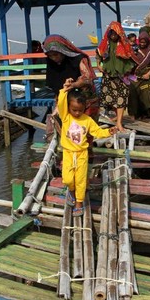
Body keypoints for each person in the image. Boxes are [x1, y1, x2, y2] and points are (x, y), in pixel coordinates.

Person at [58, 79, 117, 217]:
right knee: (67, 179)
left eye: (80, 110)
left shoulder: (87, 120)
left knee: (80, 180)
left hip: (82, 154)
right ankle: (71, 192)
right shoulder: (66, 117)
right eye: (74, 110)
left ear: (84, 108)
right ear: (68, 108)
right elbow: (61, 103)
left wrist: (109, 131)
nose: (77, 113)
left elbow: (97, 132)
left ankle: (79, 203)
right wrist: (64, 90)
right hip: (68, 153)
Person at [42, 34, 99, 138]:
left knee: (86, 130)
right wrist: (58, 105)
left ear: (62, 50)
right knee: (65, 128)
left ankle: (87, 151)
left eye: (56, 54)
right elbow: (56, 86)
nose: (54, 58)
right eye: (50, 55)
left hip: (85, 100)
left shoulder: (79, 59)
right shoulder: (51, 63)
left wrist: (74, 84)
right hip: (66, 99)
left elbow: (87, 78)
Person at [96, 21, 136, 132]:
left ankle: (119, 122)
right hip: (109, 74)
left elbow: (131, 56)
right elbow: (98, 53)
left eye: (115, 34)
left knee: (121, 98)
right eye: (111, 33)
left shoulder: (124, 43)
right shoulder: (106, 43)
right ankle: (118, 118)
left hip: (122, 75)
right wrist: (99, 65)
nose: (113, 36)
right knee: (110, 97)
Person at [128, 31, 150, 121]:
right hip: (136, 76)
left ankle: (147, 113)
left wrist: (148, 74)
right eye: (141, 42)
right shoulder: (135, 50)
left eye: (144, 42)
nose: (142, 44)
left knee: (146, 95)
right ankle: (134, 114)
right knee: (133, 94)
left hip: (147, 76)